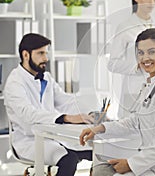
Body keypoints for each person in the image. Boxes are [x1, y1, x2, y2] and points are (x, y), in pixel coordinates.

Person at [80, 28, 155, 176]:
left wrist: (130, 164)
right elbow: (136, 121)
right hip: (150, 160)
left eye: (151, 52)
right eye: (141, 53)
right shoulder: (153, 84)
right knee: (100, 168)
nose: (145, 58)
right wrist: (99, 128)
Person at [4, 33, 94, 176]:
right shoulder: (15, 82)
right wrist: (66, 118)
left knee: (98, 153)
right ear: (25, 55)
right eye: (40, 53)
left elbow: (65, 100)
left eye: (46, 53)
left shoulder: (46, 77)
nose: (46, 58)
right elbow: (28, 114)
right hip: (29, 141)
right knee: (69, 160)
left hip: (51, 137)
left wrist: (91, 113)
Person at [107, 0, 155, 119]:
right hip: (133, 90)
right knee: (130, 132)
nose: (151, 2)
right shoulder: (125, 27)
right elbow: (112, 64)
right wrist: (136, 66)